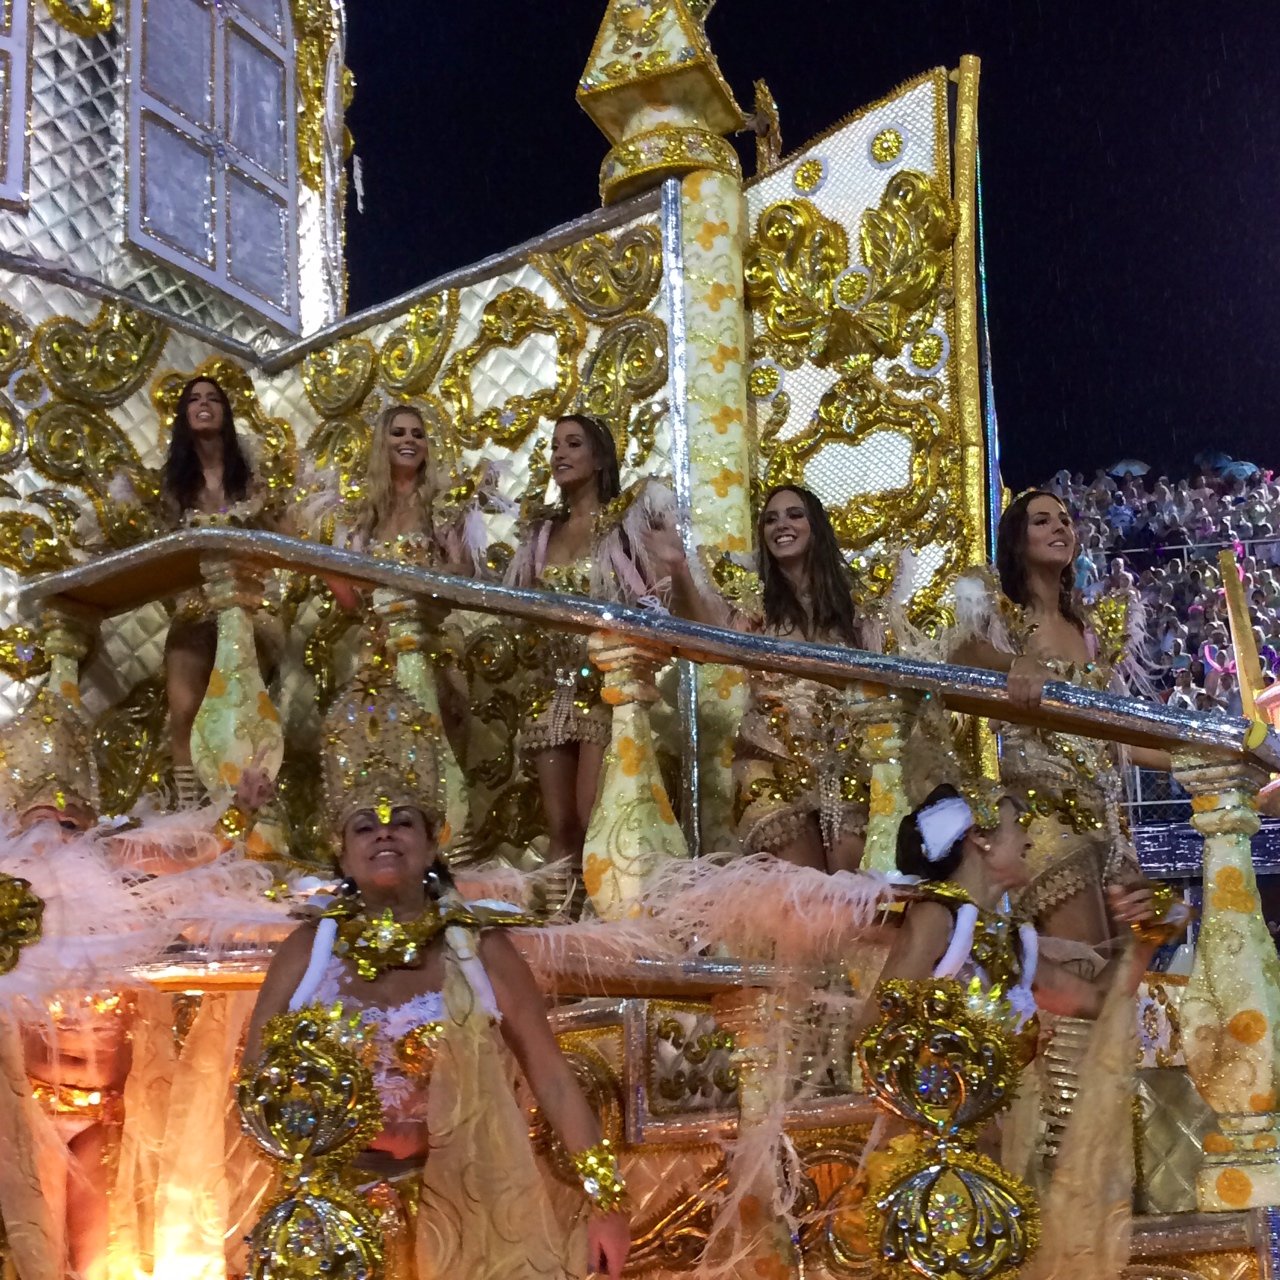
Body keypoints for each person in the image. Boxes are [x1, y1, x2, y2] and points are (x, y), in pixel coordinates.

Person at [242, 647, 630, 1279]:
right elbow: (253, 1089)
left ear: (430, 843)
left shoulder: (481, 948)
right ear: (340, 854)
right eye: (365, 826)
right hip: (332, 1227)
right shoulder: (305, 952)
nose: (385, 834)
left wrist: (608, 1201)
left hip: (471, 1218)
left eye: (404, 823)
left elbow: (554, 1080)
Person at [949, 490, 1169, 950]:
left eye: (1065, 520)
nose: (1058, 528)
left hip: (1107, 821)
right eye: (1042, 521)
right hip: (1043, 812)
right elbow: (960, 655)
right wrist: (1014, 664)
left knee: (1128, 969)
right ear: (1017, 540)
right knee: (1082, 967)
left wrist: (1196, 760)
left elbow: (1117, 734)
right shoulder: (1002, 617)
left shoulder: (1091, 631)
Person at [645, 484, 881, 871]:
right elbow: (709, 639)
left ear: (816, 526)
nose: (781, 525)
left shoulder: (857, 610)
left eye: (794, 515)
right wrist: (678, 568)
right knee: (804, 892)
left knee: (851, 892)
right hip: (767, 763)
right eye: (770, 519)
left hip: (844, 766)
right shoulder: (754, 607)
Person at [504, 413, 670, 876]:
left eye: (573, 444)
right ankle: (560, 924)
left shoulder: (624, 526)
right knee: (561, 825)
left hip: (602, 688)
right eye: (555, 445)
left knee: (594, 813)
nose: (559, 454)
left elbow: (654, 598)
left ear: (598, 459)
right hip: (548, 686)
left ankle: (598, 924)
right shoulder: (541, 534)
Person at [160, 376, 280, 807]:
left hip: (248, 606)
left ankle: (246, 808)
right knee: (185, 707)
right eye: (194, 399)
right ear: (184, 415)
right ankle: (191, 811)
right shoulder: (172, 486)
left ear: (226, 414)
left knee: (244, 709)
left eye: (213, 398)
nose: (204, 404)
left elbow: (280, 538)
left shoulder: (253, 481)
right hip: (194, 605)